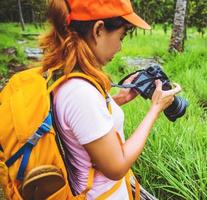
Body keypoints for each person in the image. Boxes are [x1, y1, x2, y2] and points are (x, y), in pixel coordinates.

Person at [41, 0, 182, 199]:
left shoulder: (69, 74)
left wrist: (120, 98)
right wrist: (155, 110)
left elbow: (84, 123)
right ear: (98, 29)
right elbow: (116, 167)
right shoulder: (80, 92)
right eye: (121, 36)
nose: (120, 47)